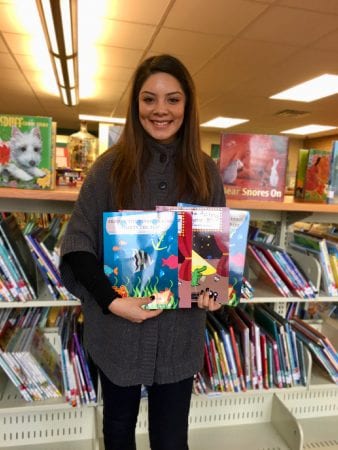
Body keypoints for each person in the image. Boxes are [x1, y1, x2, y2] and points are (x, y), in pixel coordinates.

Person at [60, 54, 225, 450]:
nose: (161, 110)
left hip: (179, 335)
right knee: (118, 432)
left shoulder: (206, 172)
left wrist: (214, 288)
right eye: (149, 99)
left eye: (173, 99)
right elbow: (78, 246)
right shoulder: (108, 168)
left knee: (171, 439)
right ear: (136, 105)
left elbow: (211, 253)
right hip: (117, 332)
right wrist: (115, 304)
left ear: (187, 105)